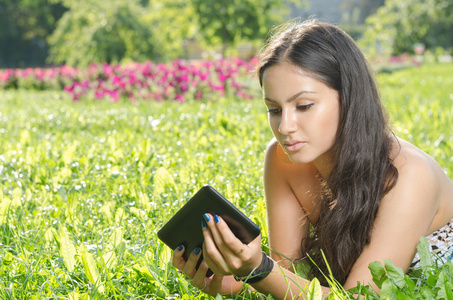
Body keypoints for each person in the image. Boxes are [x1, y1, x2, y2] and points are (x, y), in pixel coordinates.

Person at [171, 19, 453, 299]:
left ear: (349, 98)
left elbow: (361, 298)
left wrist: (258, 269)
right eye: (274, 109)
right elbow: (287, 277)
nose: (285, 127)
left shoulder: (410, 175)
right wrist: (235, 283)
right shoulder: (284, 158)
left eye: (303, 106)